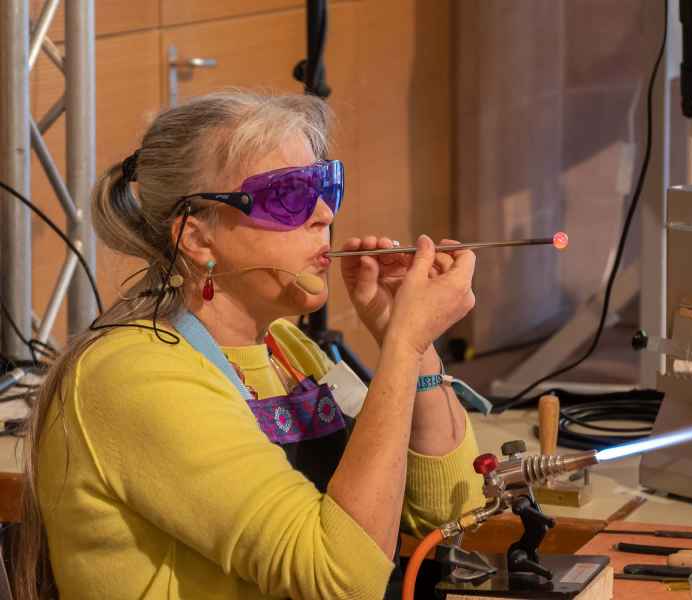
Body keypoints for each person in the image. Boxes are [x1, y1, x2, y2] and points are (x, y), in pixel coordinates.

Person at [15, 91, 485, 599]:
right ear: (197, 237)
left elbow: (452, 512)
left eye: (325, 186)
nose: (323, 213)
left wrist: (415, 348)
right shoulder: (134, 373)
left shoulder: (286, 349)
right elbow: (342, 579)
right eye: (288, 195)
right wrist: (401, 348)